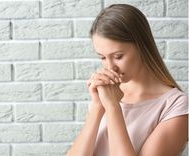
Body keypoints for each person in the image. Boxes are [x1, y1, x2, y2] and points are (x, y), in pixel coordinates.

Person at [66, 4, 188, 156]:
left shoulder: (175, 106)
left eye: (118, 56)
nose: (110, 67)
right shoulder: (107, 92)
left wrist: (112, 107)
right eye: (103, 57)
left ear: (142, 47)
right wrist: (98, 106)